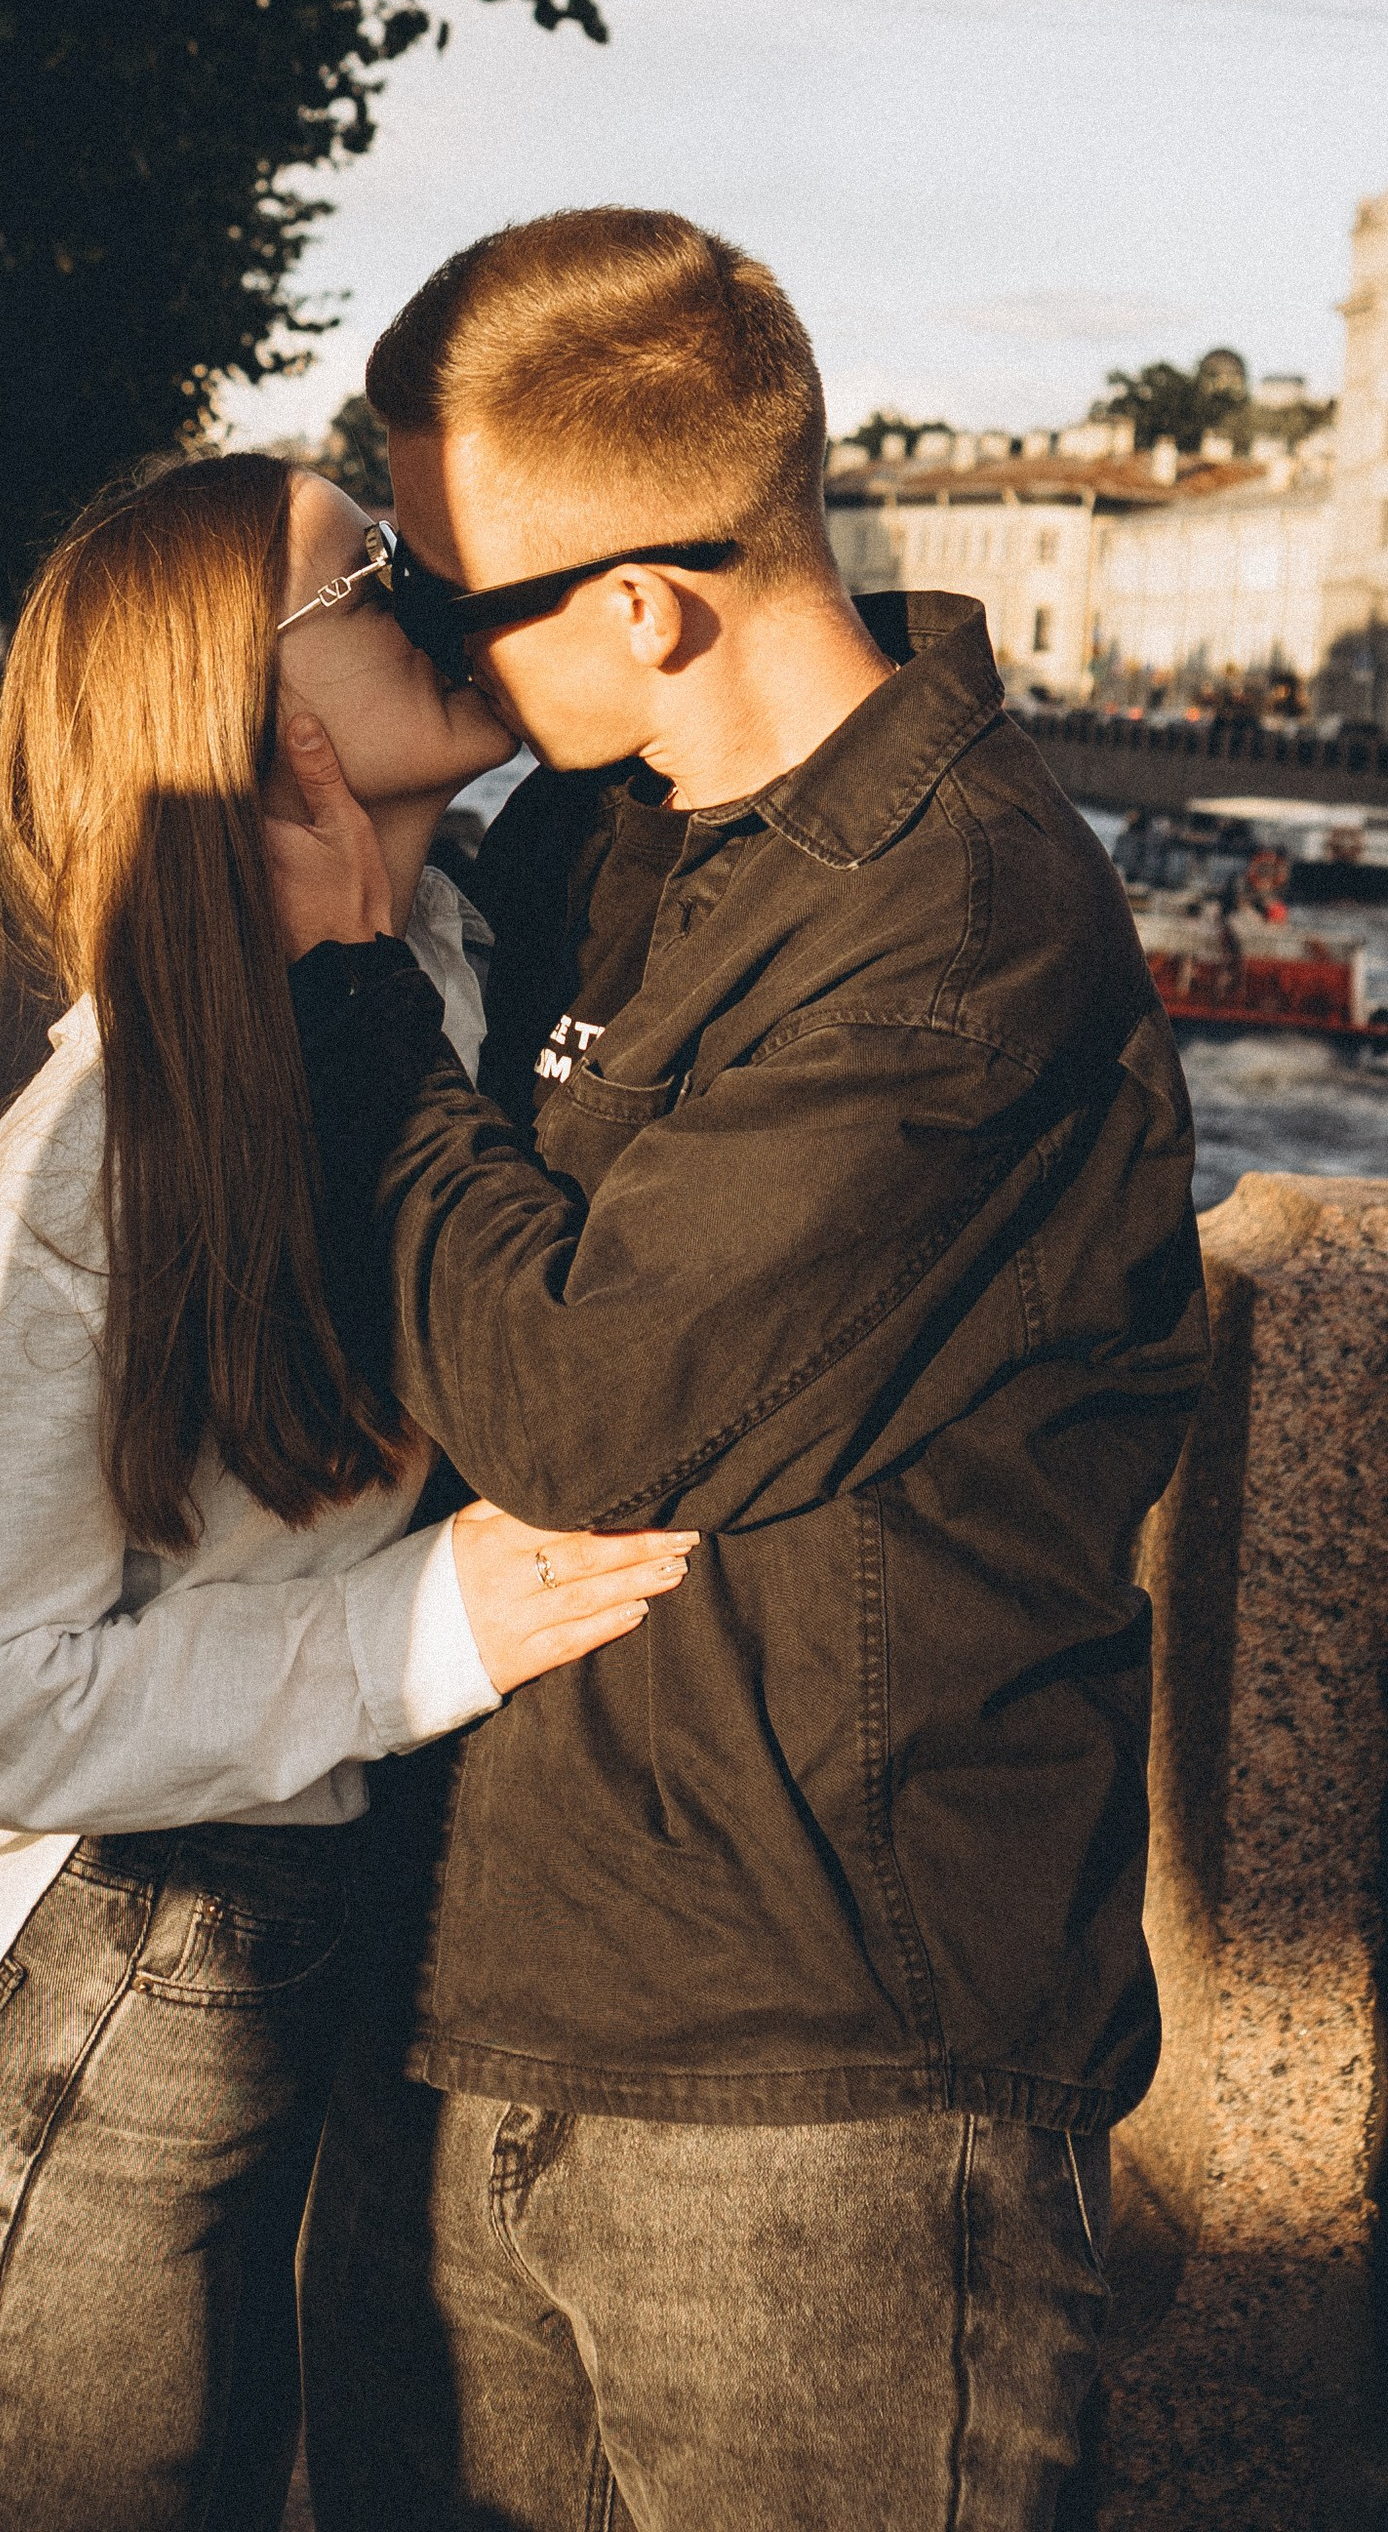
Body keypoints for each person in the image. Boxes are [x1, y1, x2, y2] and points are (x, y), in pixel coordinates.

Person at [265, 208, 1208, 2532]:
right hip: (487, 2006)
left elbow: (587, 1409)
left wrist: (352, 1007)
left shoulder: (957, 925)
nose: (406, 639)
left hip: (822, 2096)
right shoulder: (597, 829)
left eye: (435, 591)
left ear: (642, 607)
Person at [0, 452, 696, 2532]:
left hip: (237, 1941)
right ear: (247, 704)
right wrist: (420, 1627)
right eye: (371, 574)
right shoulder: (114, 1136)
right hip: (70, 1972)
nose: (440, 590)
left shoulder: (432, 972)